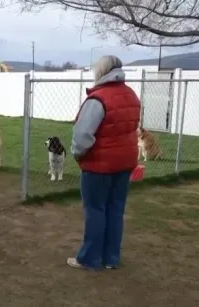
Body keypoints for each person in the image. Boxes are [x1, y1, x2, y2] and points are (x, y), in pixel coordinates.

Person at [67, 55, 141, 271]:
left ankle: (90, 258)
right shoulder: (131, 95)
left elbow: (82, 136)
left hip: (98, 167)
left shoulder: (98, 99)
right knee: (115, 210)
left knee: (95, 211)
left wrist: (78, 154)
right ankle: (111, 258)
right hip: (125, 164)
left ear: (101, 71)